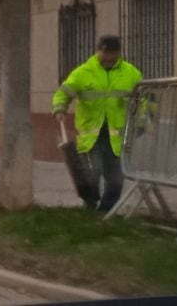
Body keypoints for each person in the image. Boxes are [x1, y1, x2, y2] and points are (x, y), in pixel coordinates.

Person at [52, 35, 142, 212]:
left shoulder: (131, 73)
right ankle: (90, 205)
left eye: (112, 53)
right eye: (105, 52)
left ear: (118, 53)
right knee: (93, 173)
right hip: (91, 136)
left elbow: (145, 98)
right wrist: (59, 108)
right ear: (98, 51)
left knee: (116, 178)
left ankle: (105, 211)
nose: (108, 57)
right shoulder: (83, 73)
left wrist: (143, 122)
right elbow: (63, 93)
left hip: (117, 137)